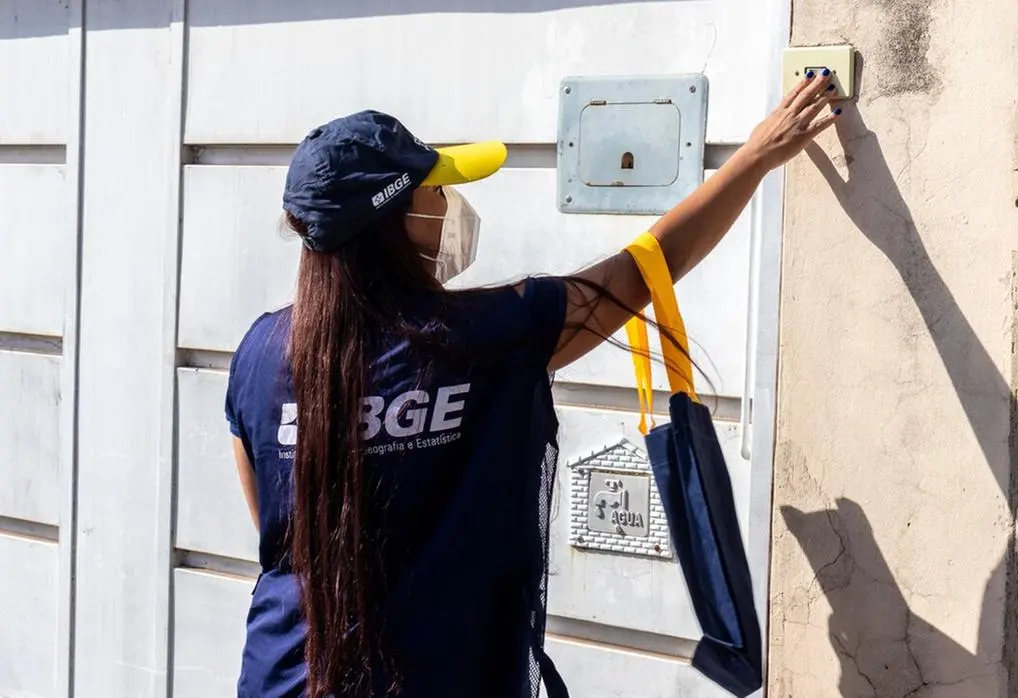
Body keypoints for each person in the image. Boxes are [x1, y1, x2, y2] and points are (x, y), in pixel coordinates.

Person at [225, 72, 843, 698]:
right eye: (434, 190)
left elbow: (276, 532)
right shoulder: (488, 334)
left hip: (282, 677)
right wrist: (757, 154)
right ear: (399, 219)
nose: (447, 205)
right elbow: (647, 269)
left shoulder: (257, 354)